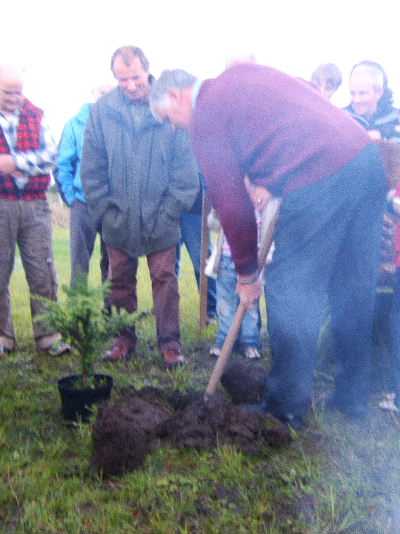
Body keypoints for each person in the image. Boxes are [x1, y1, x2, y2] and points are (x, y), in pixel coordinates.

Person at [150, 64, 387, 427]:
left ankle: (286, 407)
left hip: (321, 177)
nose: (175, 125)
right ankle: (352, 398)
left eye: (169, 117)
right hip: (366, 163)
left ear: (178, 96)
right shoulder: (240, 75)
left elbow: (231, 203)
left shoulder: (206, 117)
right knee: (352, 286)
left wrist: (246, 273)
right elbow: (296, 107)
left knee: (291, 291)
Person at [81, 47, 199, 368]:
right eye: (122, 79)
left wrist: (170, 212)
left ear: (147, 70)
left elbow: (185, 173)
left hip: (161, 218)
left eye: (135, 77)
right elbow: (92, 166)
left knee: (165, 279)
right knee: (118, 279)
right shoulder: (102, 111)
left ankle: (170, 344)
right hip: (118, 218)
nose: (130, 85)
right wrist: (105, 212)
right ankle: (123, 338)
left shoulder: (167, 106)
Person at [0, 65, 70, 356]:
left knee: (42, 269)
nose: (15, 97)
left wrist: (14, 163)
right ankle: (3, 337)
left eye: (19, 91)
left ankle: (48, 335)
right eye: (8, 92)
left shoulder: (38, 116)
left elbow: (51, 156)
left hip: (35, 204)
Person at [56, 85, 113, 287]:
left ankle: (112, 314)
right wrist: (72, 199)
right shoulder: (75, 124)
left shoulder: (122, 124)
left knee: (114, 266)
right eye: (102, 93)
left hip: (114, 207)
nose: (106, 98)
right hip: (83, 203)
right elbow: (63, 164)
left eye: (111, 93)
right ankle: (80, 314)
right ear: (94, 94)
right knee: (79, 265)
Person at [345, 61, 400, 142]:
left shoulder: (396, 117)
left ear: (379, 93)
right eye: (352, 93)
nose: (356, 100)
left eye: (362, 93)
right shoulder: (342, 117)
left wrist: (384, 132)